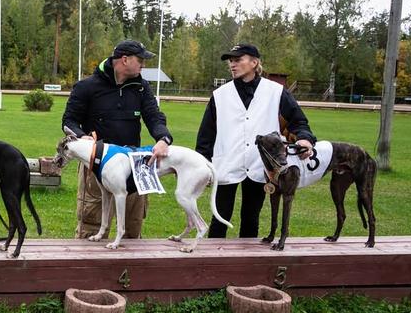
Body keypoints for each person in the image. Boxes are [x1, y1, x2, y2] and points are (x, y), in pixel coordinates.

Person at [196, 43, 316, 238]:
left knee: (251, 218)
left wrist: (305, 139)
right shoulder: (220, 95)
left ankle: (248, 264)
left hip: (260, 164)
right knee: (219, 217)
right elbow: (206, 135)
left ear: (254, 62)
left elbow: (299, 121)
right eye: (231, 61)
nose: (232, 65)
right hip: (225, 162)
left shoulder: (276, 91)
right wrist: (201, 164)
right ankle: (212, 264)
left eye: (238, 60)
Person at [61, 40, 173, 240]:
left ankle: (132, 270)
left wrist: (163, 138)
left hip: (134, 164)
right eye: (140, 60)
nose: (143, 65)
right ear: (125, 60)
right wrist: (81, 136)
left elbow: (154, 117)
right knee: (91, 226)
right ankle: (89, 269)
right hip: (95, 164)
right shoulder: (87, 86)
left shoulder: (141, 87)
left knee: (134, 225)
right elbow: (68, 121)